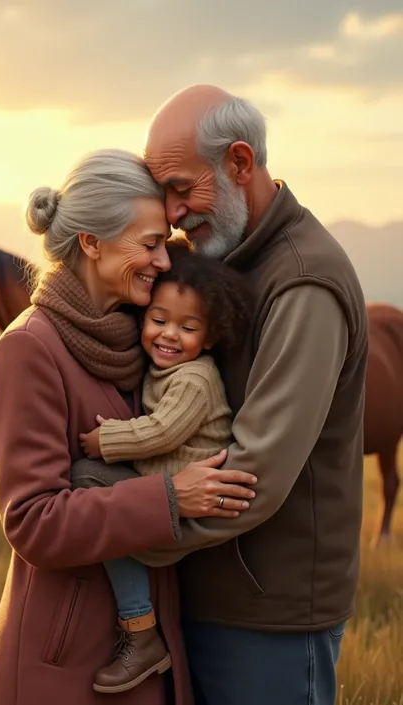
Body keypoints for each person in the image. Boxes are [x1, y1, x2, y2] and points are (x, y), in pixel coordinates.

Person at [0, 148, 258, 705]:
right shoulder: (28, 349)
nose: (162, 262)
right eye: (150, 244)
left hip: (143, 659)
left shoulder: (139, 339)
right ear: (91, 242)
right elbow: (34, 521)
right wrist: (169, 498)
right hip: (63, 670)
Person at [133, 85, 369, 705]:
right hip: (209, 594)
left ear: (240, 163)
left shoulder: (303, 282)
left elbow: (252, 476)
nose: (173, 213)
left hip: (270, 619)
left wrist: (115, 523)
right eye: (165, 194)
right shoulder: (221, 255)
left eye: (184, 188)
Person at [79, 241, 251, 694]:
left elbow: (162, 432)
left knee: (89, 482)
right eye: (158, 321)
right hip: (167, 491)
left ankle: (141, 632)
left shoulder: (194, 379)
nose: (169, 335)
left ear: (210, 337)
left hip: (184, 501)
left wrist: (105, 440)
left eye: (188, 327)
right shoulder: (166, 370)